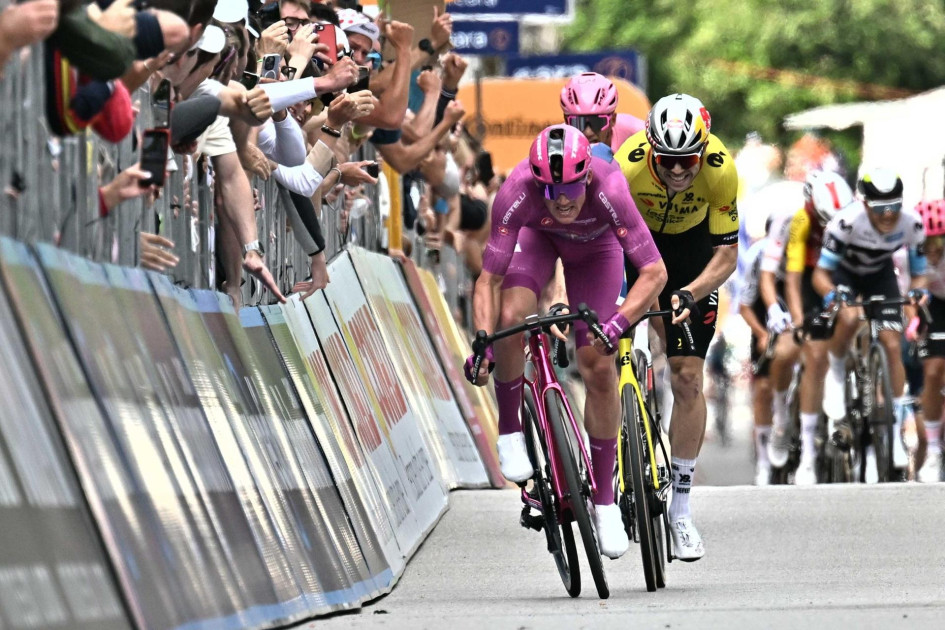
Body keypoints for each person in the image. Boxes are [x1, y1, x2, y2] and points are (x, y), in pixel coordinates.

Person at [465, 124, 667, 559]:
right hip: (538, 242)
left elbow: (655, 272)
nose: (561, 201)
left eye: (571, 191)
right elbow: (488, 280)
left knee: (597, 363)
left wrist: (618, 324)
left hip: (597, 252)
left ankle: (605, 502)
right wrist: (482, 344)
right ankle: (510, 429)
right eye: (551, 191)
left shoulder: (610, 188)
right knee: (510, 317)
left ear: (587, 178)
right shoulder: (517, 189)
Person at [614, 93, 739, 561]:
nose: (679, 169)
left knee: (687, 377)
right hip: (635, 247)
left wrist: (690, 292)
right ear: (651, 149)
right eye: (668, 160)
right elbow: (604, 243)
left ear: (703, 150)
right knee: (604, 353)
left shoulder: (721, 169)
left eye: (688, 159)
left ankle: (681, 508)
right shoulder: (627, 166)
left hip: (691, 253)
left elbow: (726, 256)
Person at [814, 167, 928, 474]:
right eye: (880, 209)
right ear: (864, 204)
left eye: (894, 207)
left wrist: (917, 292)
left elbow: (919, 273)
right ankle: (837, 371)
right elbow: (821, 274)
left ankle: (894, 430)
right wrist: (831, 295)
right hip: (845, 273)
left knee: (892, 341)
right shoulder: (845, 222)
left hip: (880, 275)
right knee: (850, 317)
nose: (888, 215)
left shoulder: (912, 223)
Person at [762, 170, 855, 484]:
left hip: (831, 275)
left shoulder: (850, 219)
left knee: (854, 322)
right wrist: (796, 320)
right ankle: (781, 420)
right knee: (790, 352)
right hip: (796, 280)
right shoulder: (794, 221)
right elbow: (788, 278)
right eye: (825, 221)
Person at [915, 200, 945, 482]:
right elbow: (910, 294)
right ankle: (934, 449)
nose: (934, 249)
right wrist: (913, 321)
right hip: (933, 306)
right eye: (927, 243)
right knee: (933, 371)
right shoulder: (910, 256)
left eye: (940, 242)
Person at [559, 71, 644, 162]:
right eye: (579, 123)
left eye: (597, 122)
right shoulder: (557, 143)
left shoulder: (637, 132)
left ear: (613, 120)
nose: (588, 133)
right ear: (567, 122)